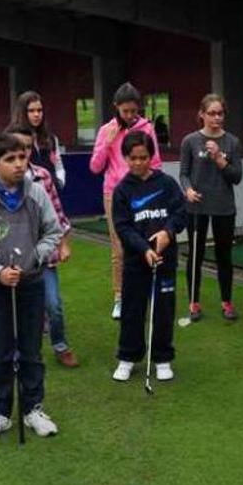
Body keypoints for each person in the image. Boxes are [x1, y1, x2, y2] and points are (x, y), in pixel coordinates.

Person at [0, 133, 64, 443]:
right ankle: (1, 413)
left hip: (31, 282)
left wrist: (34, 259)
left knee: (32, 349)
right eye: (10, 159)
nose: (19, 164)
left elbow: (52, 231)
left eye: (22, 157)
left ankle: (33, 407)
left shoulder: (35, 192)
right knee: (2, 350)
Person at [110, 131, 186, 383]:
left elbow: (180, 213)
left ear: (151, 157)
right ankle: (128, 357)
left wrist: (168, 231)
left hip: (165, 258)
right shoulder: (122, 191)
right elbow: (123, 227)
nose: (138, 163)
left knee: (163, 310)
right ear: (126, 158)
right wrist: (143, 249)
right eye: (133, 158)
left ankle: (162, 358)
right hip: (136, 260)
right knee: (133, 309)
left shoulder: (166, 184)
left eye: (143, 157)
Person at [8, 124, 79, 368]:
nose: (23, 154)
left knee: (53, 304)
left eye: (27, 148)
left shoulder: (43, 176)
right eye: (18, 149)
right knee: (17, 309)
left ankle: (60, 346)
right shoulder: (1, 181)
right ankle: (18, 354)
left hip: (44, 254)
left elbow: (57, 213)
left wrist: (64, 243)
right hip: (13, 257)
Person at [90, 82, 163, 320]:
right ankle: (120, 297)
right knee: (119, 248)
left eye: (134, 111)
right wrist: (108, 142)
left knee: (146, 243)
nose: (130, 116)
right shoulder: (106, 130)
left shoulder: (146, 129)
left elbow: (156, 163)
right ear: (116, 108)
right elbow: (95, 166)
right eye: (126, 112)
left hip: (143, 193)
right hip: (114, 194)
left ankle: (145, 291)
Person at [179, 93, 243, 321]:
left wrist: (219, 158)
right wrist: (187, 190)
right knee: (195, 256)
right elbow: (184, 174)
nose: (217, 118)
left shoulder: (232, 142)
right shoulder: (189, 141)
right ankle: (193, 303)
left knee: (223, 256)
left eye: (220, 113)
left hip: (224, 208)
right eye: (212, 113)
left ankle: (226, 302)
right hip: (196, 208)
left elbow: (236, 177)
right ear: (202, 115)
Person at [11, 91, 66, 188]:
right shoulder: (12, 138)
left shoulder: (51, 138)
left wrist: (59, 181)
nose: (36, 114)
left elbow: (58, 164)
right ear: (23, 112)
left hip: (50, 192)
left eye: (39, 110)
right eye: (31, 111)